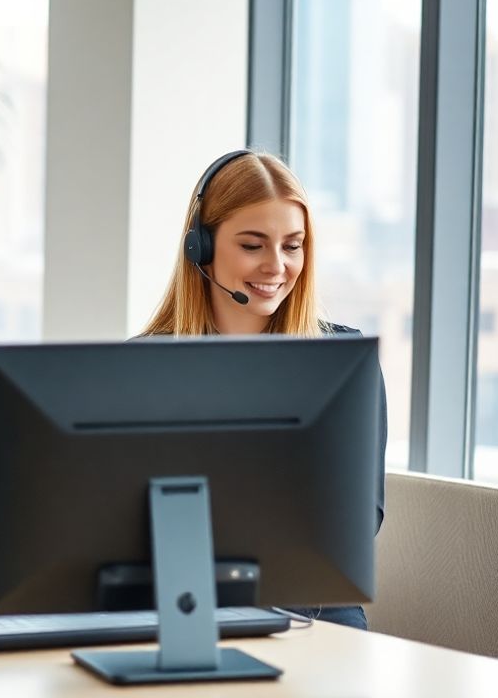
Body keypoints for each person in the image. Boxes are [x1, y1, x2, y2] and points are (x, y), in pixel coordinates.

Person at [142, 148, 388, 630]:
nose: (276, 266)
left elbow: (358, 523)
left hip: (314, 616)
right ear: (201, 247)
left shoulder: (342, 361)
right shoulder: (142, 364)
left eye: (292, 246)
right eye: (253, 245)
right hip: (178, 612)